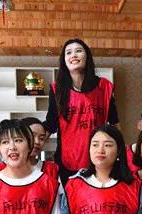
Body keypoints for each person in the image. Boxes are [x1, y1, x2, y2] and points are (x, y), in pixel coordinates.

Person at [43, 39, 119, 185]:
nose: (73, 55)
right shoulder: (57, 89)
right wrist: (32, 145)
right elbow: (51, 123)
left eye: (78, 51)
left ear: (87, 57)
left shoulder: (104, 87)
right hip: (68, 159)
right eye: (68, 52)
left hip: (100, 156)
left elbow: (114, 123)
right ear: (64, 60)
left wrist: (121, 154)